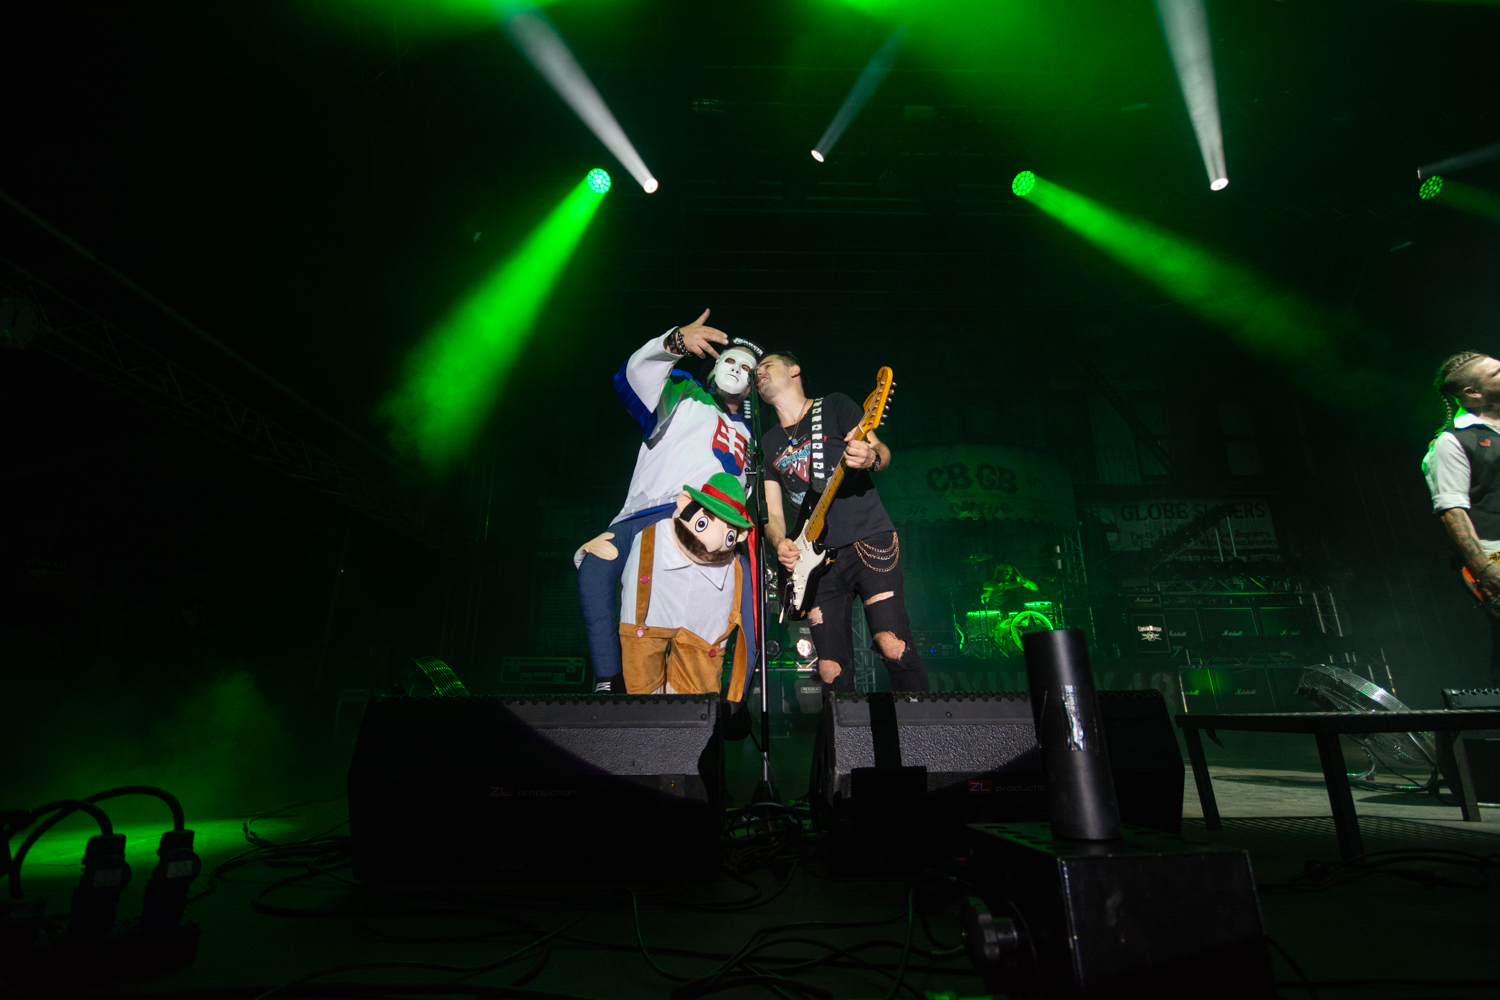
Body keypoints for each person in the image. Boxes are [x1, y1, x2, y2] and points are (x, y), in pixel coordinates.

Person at [576, 311, 761, 692]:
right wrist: (675, 342)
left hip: (717, 527)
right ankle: (609, 681)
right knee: (595, 567)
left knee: (753, 606)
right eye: (730, 360)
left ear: (749, 390)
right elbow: (634, 377)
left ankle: (735, 702)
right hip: (651, 510)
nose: (736, 369)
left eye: (747, 368)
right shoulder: (683, 392)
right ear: (713, 368)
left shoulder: (752, 439)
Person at [755, 350, 929, 693]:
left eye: (766, 365)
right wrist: (779, 542)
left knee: (891, 643)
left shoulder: (833, 406)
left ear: (794, 370)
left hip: (867, 540)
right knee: (830, 669)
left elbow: (882, 452)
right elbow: (773, 513)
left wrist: (870, 458)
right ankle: (845, 731)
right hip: (814, 563)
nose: (758, 372)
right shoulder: (769, 441)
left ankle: (922, 725)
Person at [578, 473, 756, 696]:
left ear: (739, 536)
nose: (711, 547)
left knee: (697, 701)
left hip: (704, 636)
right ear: (685, 504)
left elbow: (754, 623)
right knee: (638, 690)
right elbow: (595, 575)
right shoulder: (651, 527)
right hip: (646, 625)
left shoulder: (735, 566)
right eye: (702, 523)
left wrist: (735, 697)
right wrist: (608, 674)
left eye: (729, 537)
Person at [1424, 350, 1500, 685]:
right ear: (1473, 392)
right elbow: (1452, 511)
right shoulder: (1452, 442)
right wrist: (1485, 571)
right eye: (1496, 373)